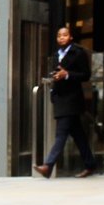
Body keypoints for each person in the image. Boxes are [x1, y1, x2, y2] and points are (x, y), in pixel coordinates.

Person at [34, 25, 94, 178]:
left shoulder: (78, 52)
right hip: (60, 98)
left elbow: (86, 75)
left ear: (71, 37)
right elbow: (56, 74)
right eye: (59, 35)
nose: (61, 37)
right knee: (78, 134)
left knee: (61, 133)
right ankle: (90, 164)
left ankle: (48, 165)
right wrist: (54, 87)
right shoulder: (56, 55)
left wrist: (67, 74)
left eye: (65, 35)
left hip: (72, 99)